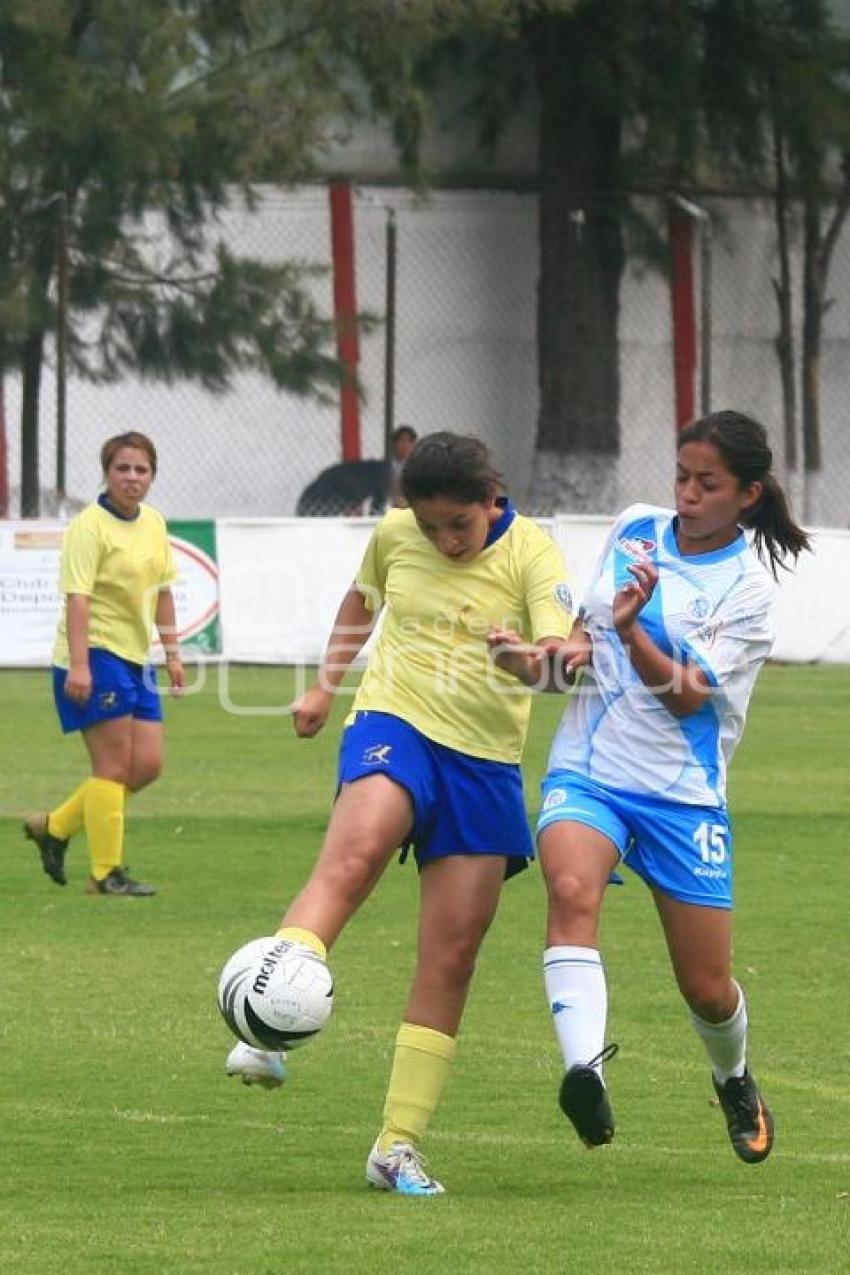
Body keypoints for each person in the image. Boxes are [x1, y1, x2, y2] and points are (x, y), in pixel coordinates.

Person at [225, 431, 576, 1194]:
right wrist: (324, 684)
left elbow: (559, 665)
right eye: (430, 526)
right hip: (395, 721)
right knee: (355, 856)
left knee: (451, 956)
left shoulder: (535, 555)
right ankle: (268, 1023)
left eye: (461, 525)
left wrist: (523, 658)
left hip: (485, 762)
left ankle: (396, 1145)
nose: (446, 540)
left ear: (493, 499)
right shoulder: (394, 534)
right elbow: (362, 601)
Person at [488, 409, 810, 1166]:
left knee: (706, 987)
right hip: (590, 770)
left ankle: (733, 1075)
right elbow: (577, 646)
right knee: (570, 887)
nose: (687, 494)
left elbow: (688, 697)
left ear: (749, 494)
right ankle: (584, 1070)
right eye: (681, 477)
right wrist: (527, 661)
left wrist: (634, 632)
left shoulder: (748, 592)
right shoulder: (634, 527)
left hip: (682, 795)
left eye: (708, 484)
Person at [24, 431, 185, 897]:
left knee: (148, 765)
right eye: (123, 468)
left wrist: (172, 653)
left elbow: (164, 592)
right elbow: (78, 598)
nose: (132, 478)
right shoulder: (89, 527)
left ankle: (55, 827)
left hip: (136, 658)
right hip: (95, 654)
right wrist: (79, 665)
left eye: (141, 470)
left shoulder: (153, 523)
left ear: (152, 476)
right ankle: (104, 873)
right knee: (112, 767)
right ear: (106, 473)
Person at [389, 424, 418, 508]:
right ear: (395, 443)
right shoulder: (388, 466)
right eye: (402, 440)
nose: (406, 444)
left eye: (410, 441)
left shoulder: (418, 466)